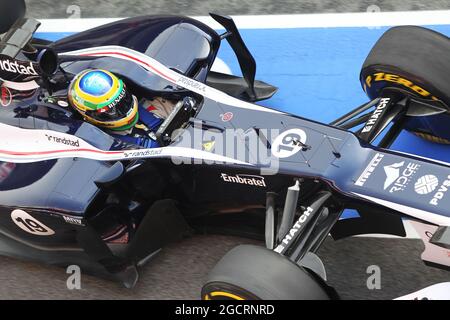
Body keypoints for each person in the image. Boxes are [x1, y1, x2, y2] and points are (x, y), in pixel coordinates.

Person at [68, 69, 177, 148]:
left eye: (122, 100)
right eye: (110, 110)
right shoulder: (111, 146)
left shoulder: (159, 103)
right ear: (89, 115)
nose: (123, 110)